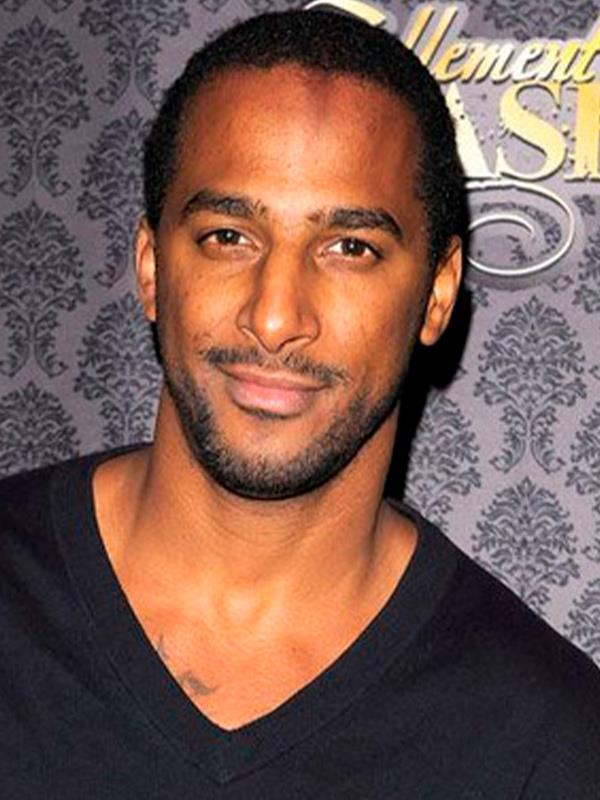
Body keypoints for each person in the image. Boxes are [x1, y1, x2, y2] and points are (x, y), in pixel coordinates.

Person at [1, 10, 599, 798]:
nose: (276, 316)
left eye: (350, 248)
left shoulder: (546, 741)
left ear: (437, 293)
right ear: (151, 268)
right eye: (228, 237)